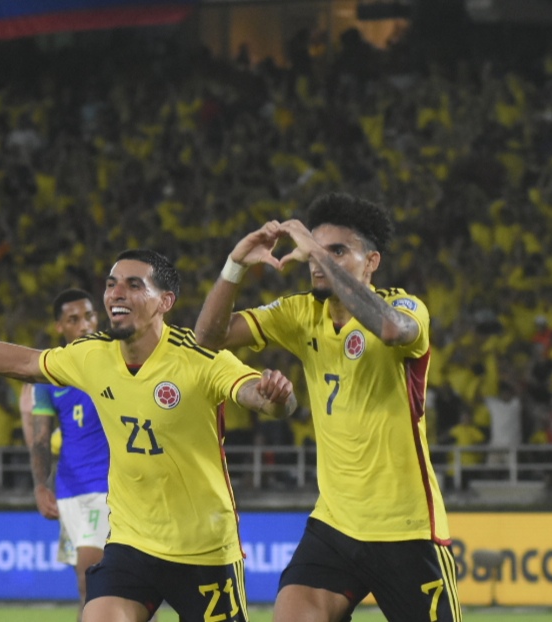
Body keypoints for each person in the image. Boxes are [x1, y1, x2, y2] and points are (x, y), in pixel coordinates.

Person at [0, 249, 296, 622]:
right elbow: (23, 361)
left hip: (205, 549)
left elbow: (259, 397)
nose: (115, 294)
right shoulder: (92, 355)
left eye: (134, 285)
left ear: (165, 302)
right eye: (110, 283)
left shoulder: (198, 357)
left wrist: (274, 396)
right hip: (131, 544)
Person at [195, 193, 461, 622]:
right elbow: (207, 338)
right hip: (334, 526)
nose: (316, 261)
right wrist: (236, 264)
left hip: (407, 528)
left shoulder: (405, 307)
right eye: (313, 250)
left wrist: (315, 249)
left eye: (337, 250)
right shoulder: (301, 313)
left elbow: (393, 330)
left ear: (371, 261)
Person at [18, 288, 111, 621]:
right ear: (60, 327)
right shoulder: (49, 375)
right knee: (89, 588)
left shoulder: (116, 359)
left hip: (113, 488)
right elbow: (41, 439)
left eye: (89, 316)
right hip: (72, 491)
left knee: (119, 585)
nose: (84, 324)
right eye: (74, 320)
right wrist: (41, 484)